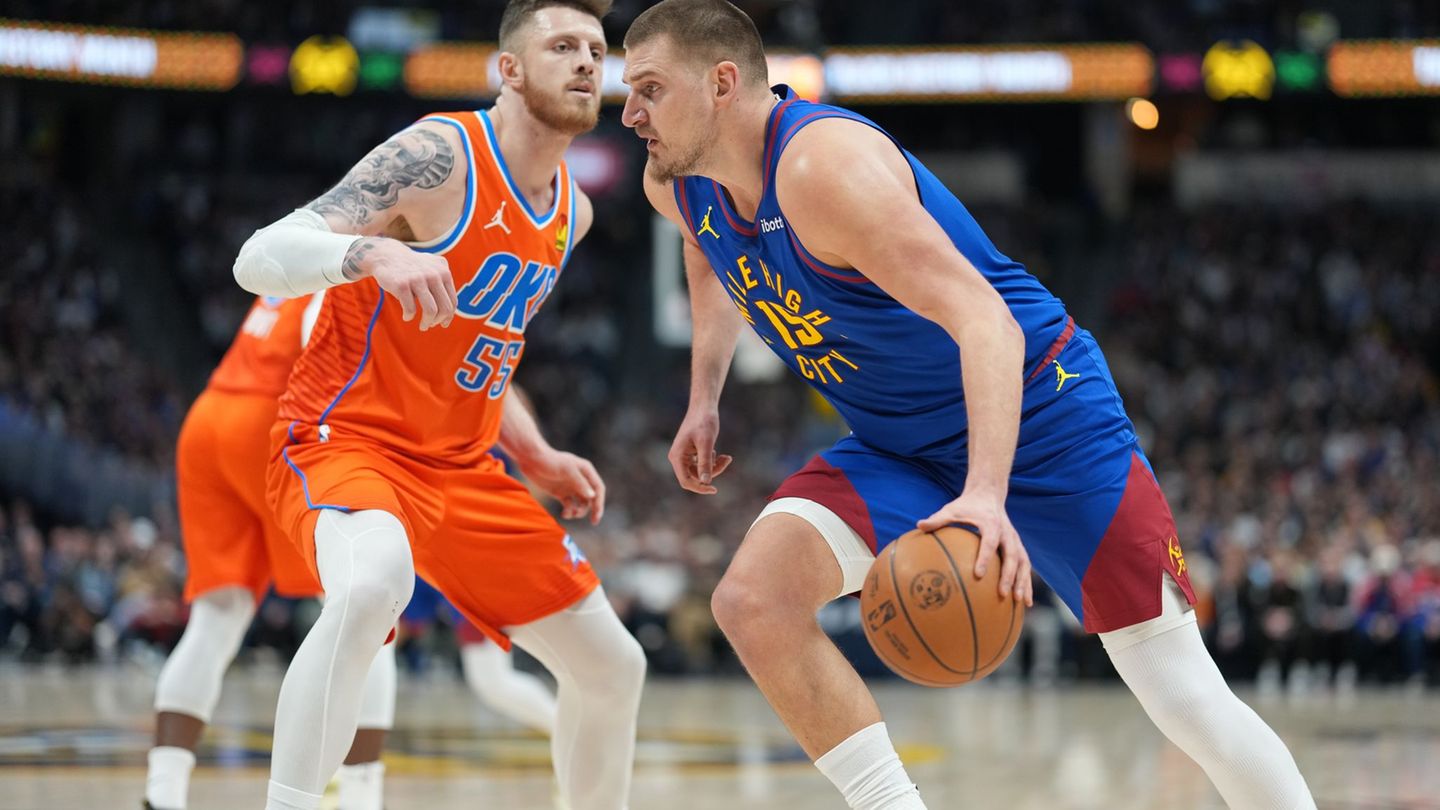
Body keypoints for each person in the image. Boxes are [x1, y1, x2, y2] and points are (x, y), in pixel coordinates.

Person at [620, 1, 1317, 808]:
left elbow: (986, 321)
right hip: (901, 444)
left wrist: (984, 495)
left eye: (648, 88)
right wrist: (704, 395)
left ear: (721, 83)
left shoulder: (823, 171)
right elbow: (707, 255)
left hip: (1044, 415)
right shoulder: (674, 180)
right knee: (753, 602)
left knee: (1184, 698)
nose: (630, 111)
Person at [232, 2, 645, 809]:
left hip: (462, 465)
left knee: (611, 666)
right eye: (562, 45)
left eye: (597, 49)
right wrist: (370, 249)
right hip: (348, 439)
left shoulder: (573, 210)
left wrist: (535, 454)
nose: (588, 62)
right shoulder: (438, 153)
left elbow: (488, 356)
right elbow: (256, 257)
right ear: (511, 69)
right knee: (370, 584)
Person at [145, 295, 398, 810]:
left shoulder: (312, 242)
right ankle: (361, 796)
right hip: (268, 424)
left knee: (217, 616)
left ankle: (162, 793)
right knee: (369, 609)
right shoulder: (360, 257)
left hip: (209, 418)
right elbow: (319, 340)